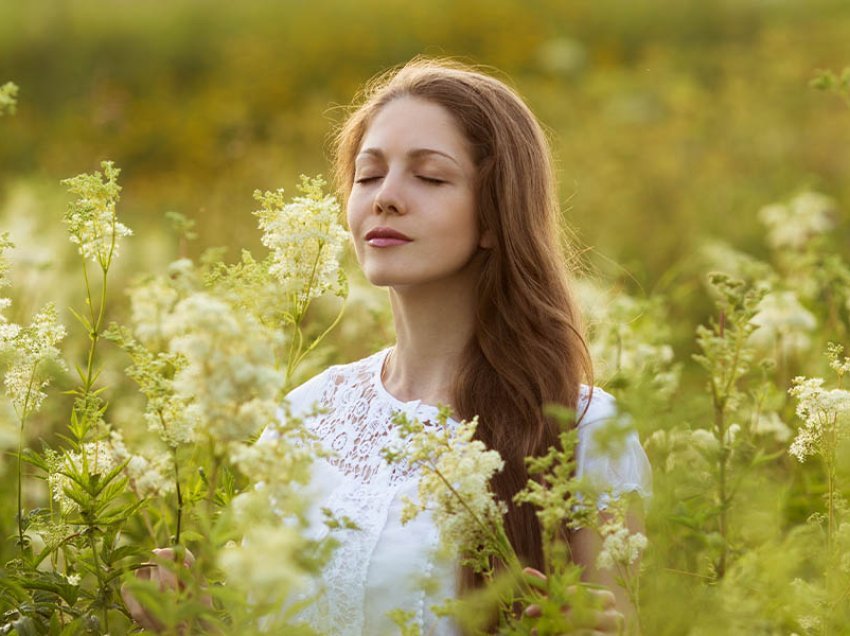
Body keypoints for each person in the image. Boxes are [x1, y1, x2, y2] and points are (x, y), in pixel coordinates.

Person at [126, 57, 651, 635]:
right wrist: (190, 623)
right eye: (368, 175)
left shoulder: (583, 431)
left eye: (429, 177)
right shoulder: (308, 413)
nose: (386, 198)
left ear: (495, 217)